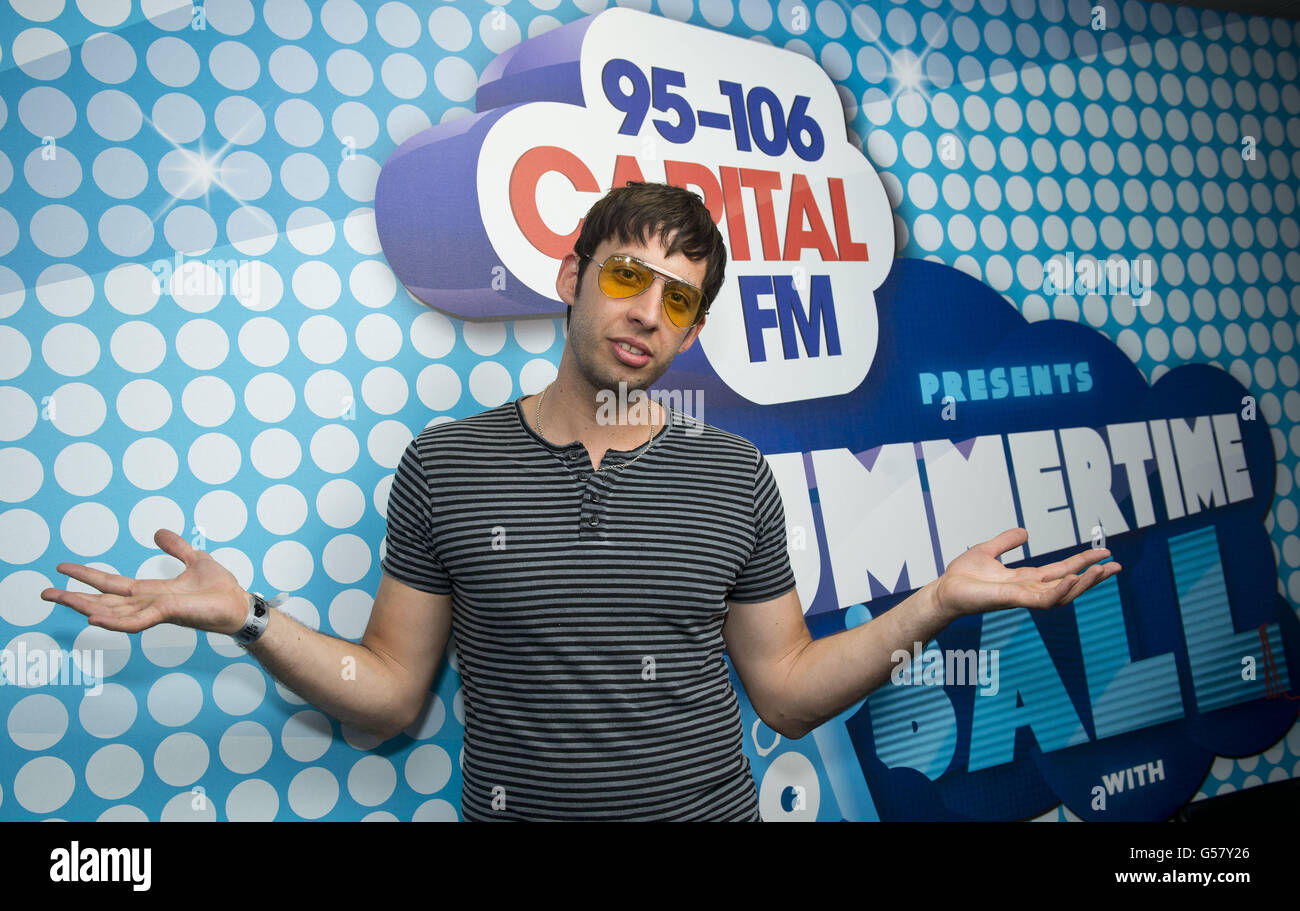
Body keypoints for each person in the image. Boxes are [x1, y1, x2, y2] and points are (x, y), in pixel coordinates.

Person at [41, 182, 1121, 821]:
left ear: (693, 330)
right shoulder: (445, 463)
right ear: (570, 277)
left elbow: (786, 693)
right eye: (625, 277)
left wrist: (934, 601)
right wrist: (249, 618)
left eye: (679, 300)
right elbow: (387, 695)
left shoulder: (731, 473)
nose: (647, 313)